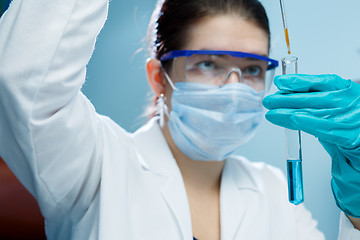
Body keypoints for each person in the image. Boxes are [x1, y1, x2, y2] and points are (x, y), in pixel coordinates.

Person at [0, 0, 359, 239]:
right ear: (159, 77)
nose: (233, 88)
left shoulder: (274, 193)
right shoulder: (95, 166)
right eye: (208, 63)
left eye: (251, 69)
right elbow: (26, 78)